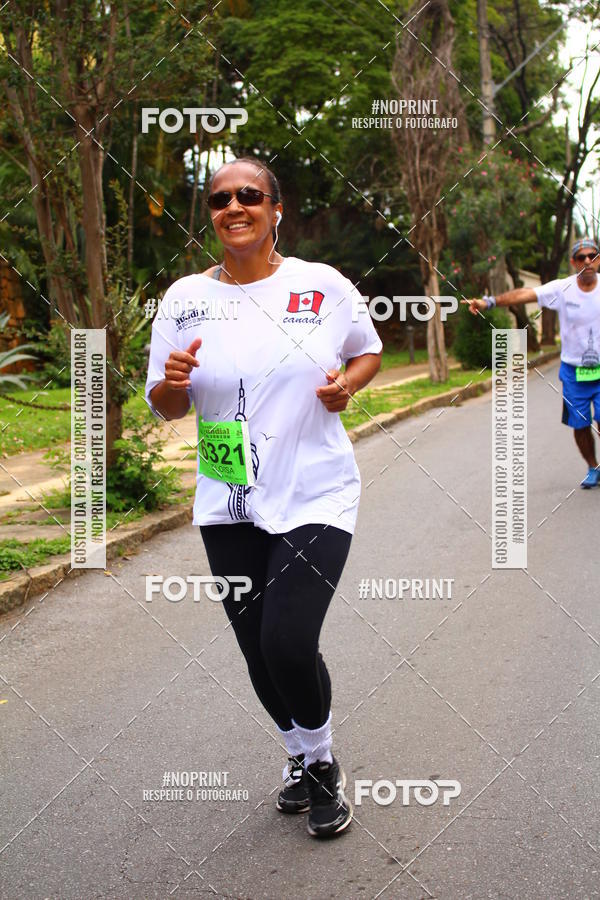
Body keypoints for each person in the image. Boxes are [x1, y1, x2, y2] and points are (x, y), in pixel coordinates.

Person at [145, 157, 383, 838]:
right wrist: (173, 381)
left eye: (250, 195)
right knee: (257, 648)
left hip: (316, 488)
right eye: (220, 198)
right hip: (229, 497)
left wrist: (350, 386)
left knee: (286, 637)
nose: (234, 206)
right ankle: (298, 758)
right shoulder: (185, 297)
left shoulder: (321, 284)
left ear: (276, 209)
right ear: (211, 214)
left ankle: (324, 764)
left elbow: (366, 349)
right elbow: (163, 407)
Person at [465, 236, 600, 488]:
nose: (587, 261)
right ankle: (593, 466)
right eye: (581, 257)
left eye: (592, 256)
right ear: (573, 262)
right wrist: (490, 301)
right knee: (580, 424)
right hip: (574, 371)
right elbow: (525, 293)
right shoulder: (562, 288)